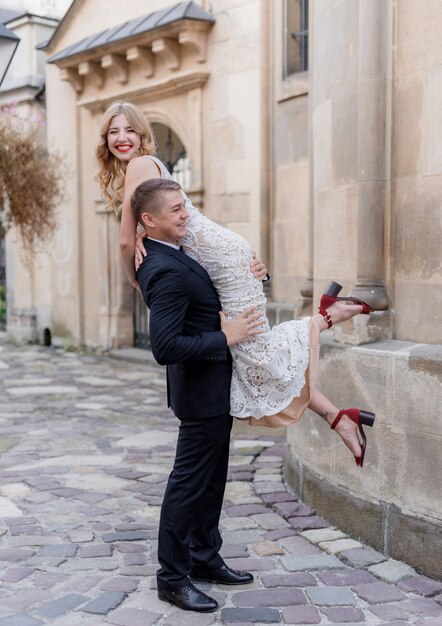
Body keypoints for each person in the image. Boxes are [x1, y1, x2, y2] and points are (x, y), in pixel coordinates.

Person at [95, 100, 375, 469]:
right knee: (253, 358)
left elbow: (125, 242)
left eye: (129, 129)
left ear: (142, 133)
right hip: (225, 257)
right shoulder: (150, 167)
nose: (122, 138)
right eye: (113, 132)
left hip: (224, 260)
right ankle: (340, 417)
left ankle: (327, 317)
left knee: (256, 353)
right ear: (105, 139)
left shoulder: (139, 165)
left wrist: (136, 279)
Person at [132, 177, 261, 611]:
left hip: (215, 389)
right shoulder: (164, 268)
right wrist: (225, 337)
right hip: (201, 390)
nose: (186, 213)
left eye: (184, 205)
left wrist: (256, 270)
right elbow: (164, 347)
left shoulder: (180, 251)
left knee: (211, 481)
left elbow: (221, 283)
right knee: (187, 485)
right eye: (175, 210)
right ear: (148, 221)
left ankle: (205, 558)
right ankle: (171, 576)